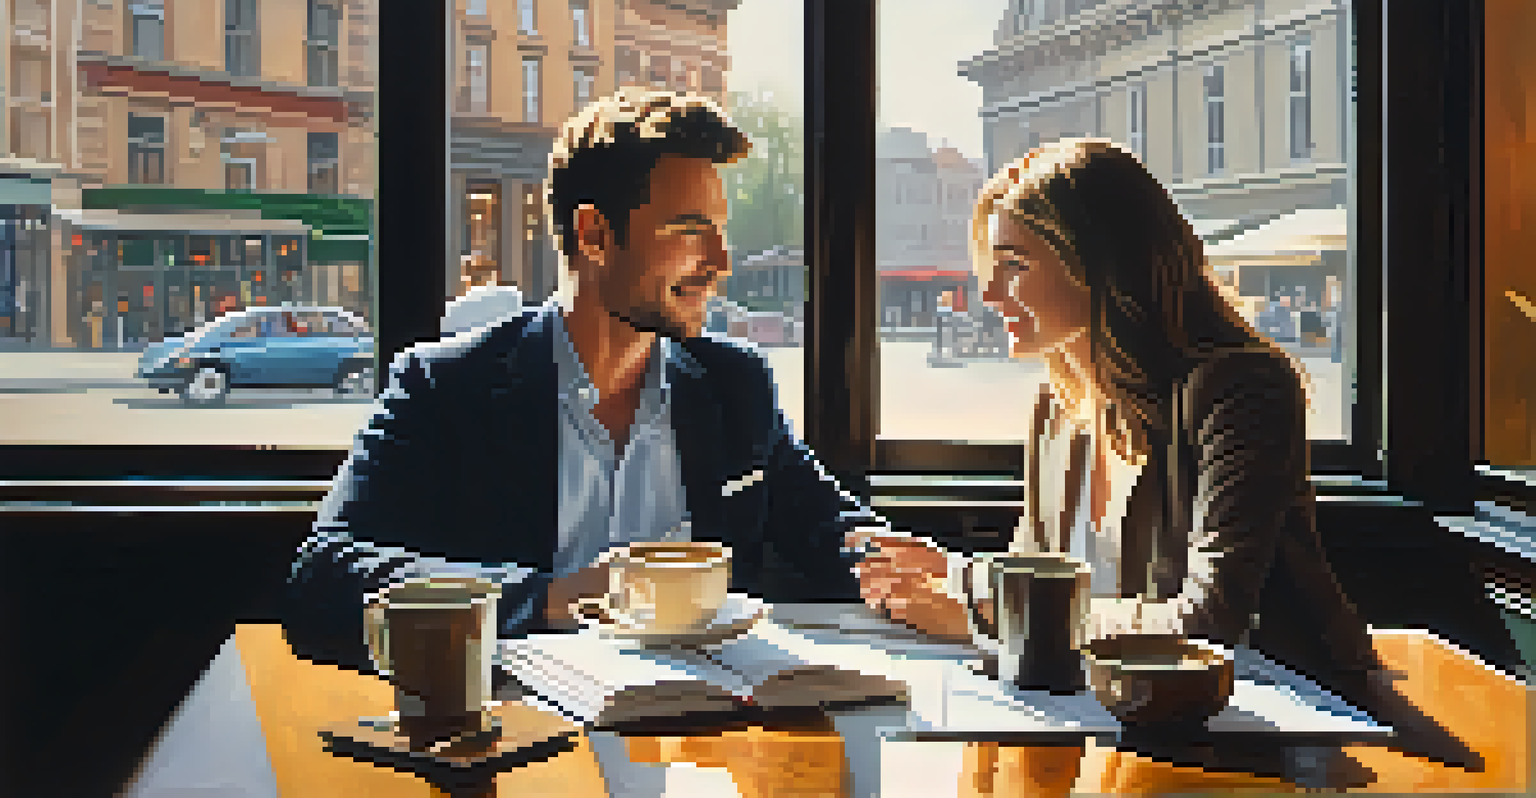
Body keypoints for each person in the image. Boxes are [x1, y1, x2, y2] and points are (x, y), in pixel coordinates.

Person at [858, 138, 1484, 782]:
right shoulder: (1058, 401)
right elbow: (1045, 581)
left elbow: (1204, 624)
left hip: (1281, 736)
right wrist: (968, 579)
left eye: (1013, 263)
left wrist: (976, 609)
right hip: (1128, 735)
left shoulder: (1242, 389)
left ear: (1098, 261)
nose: (987, 291)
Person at [282, 89, 910, 673]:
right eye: (690, 229)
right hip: (520, 752)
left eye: (719, 232)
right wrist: (552, 597)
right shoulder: (446, 387)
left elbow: (829, 527)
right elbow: (324, 578)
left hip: (702, 749)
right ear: (595, 235)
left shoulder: (734, 384)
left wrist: (922, 574)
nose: (719, 263)